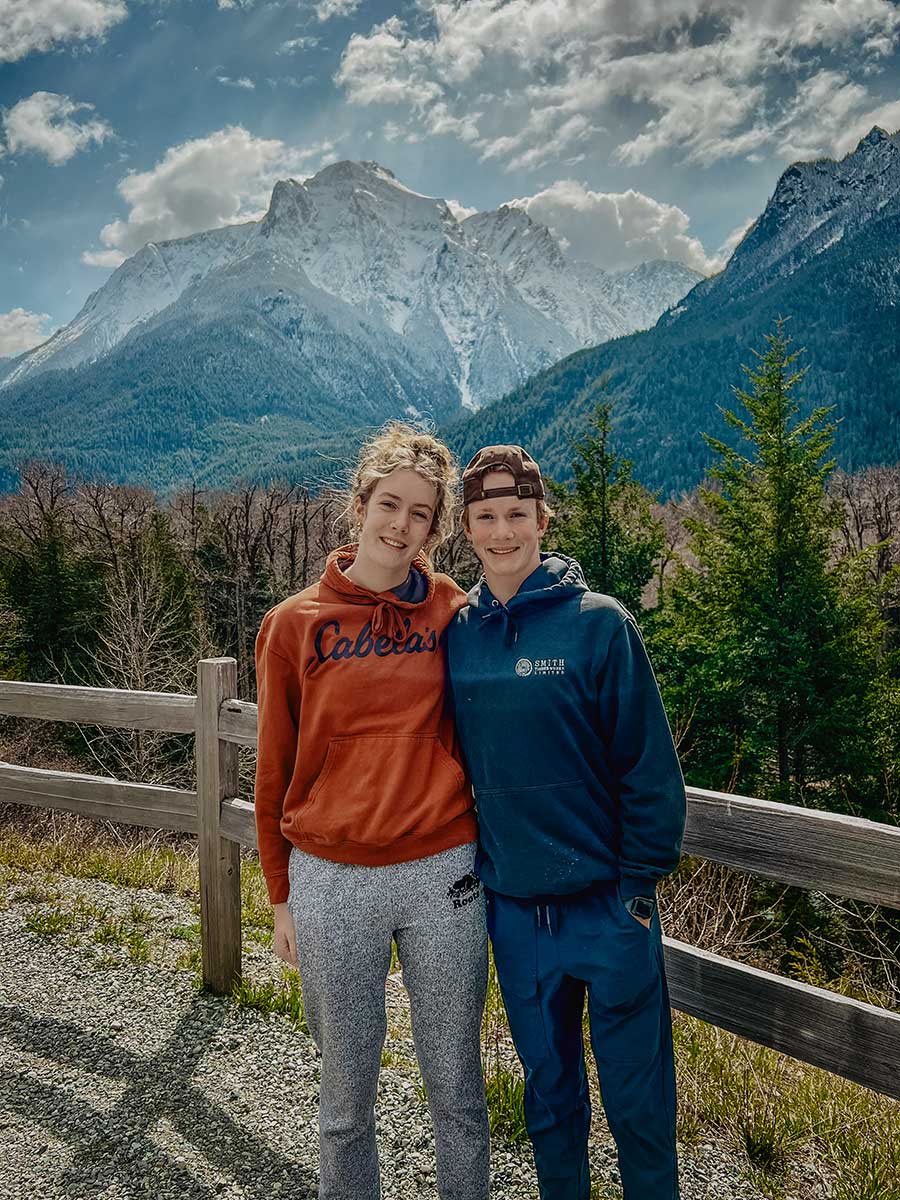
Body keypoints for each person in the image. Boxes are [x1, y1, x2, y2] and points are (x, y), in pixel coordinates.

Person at [254, 424, 489, 1200]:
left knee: (456, 1084)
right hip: (332, 879)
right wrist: (281, 895)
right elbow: (274, 770)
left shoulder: (453, 610)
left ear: (435, 527)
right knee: (346, 1095)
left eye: (421, 514)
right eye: (389, 504)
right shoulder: (296, 624)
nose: (401, 525)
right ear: (359, 505)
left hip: (443, 875)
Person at [447, 445, 685, 1200]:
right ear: (467, 527)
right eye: (486, 516)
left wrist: (636, 890)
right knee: (550, 1106)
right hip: (516, 913)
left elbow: (648, 768)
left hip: (607, 909)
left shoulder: (599, 626)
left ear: (543, 520)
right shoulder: (459, 634)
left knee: (639, 1109)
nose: (503, 531)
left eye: (517, 514)